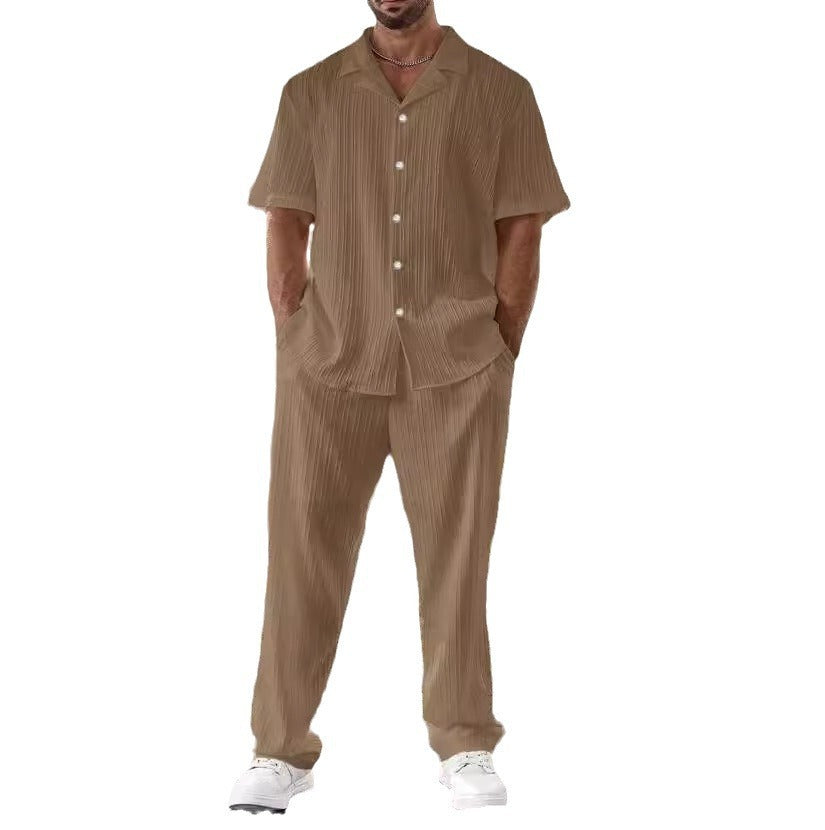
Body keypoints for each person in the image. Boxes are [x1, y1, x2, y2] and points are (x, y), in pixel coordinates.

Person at [229, 0, 569, 813]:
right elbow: (286, 218)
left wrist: (500, 344)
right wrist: (294, 331)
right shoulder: (310, 92)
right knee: (301, 557)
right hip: (329, 364)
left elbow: (523, 226)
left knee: (457, 558)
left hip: (457, 365)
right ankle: (279, 749)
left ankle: (464, 741)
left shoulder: (501, 92)